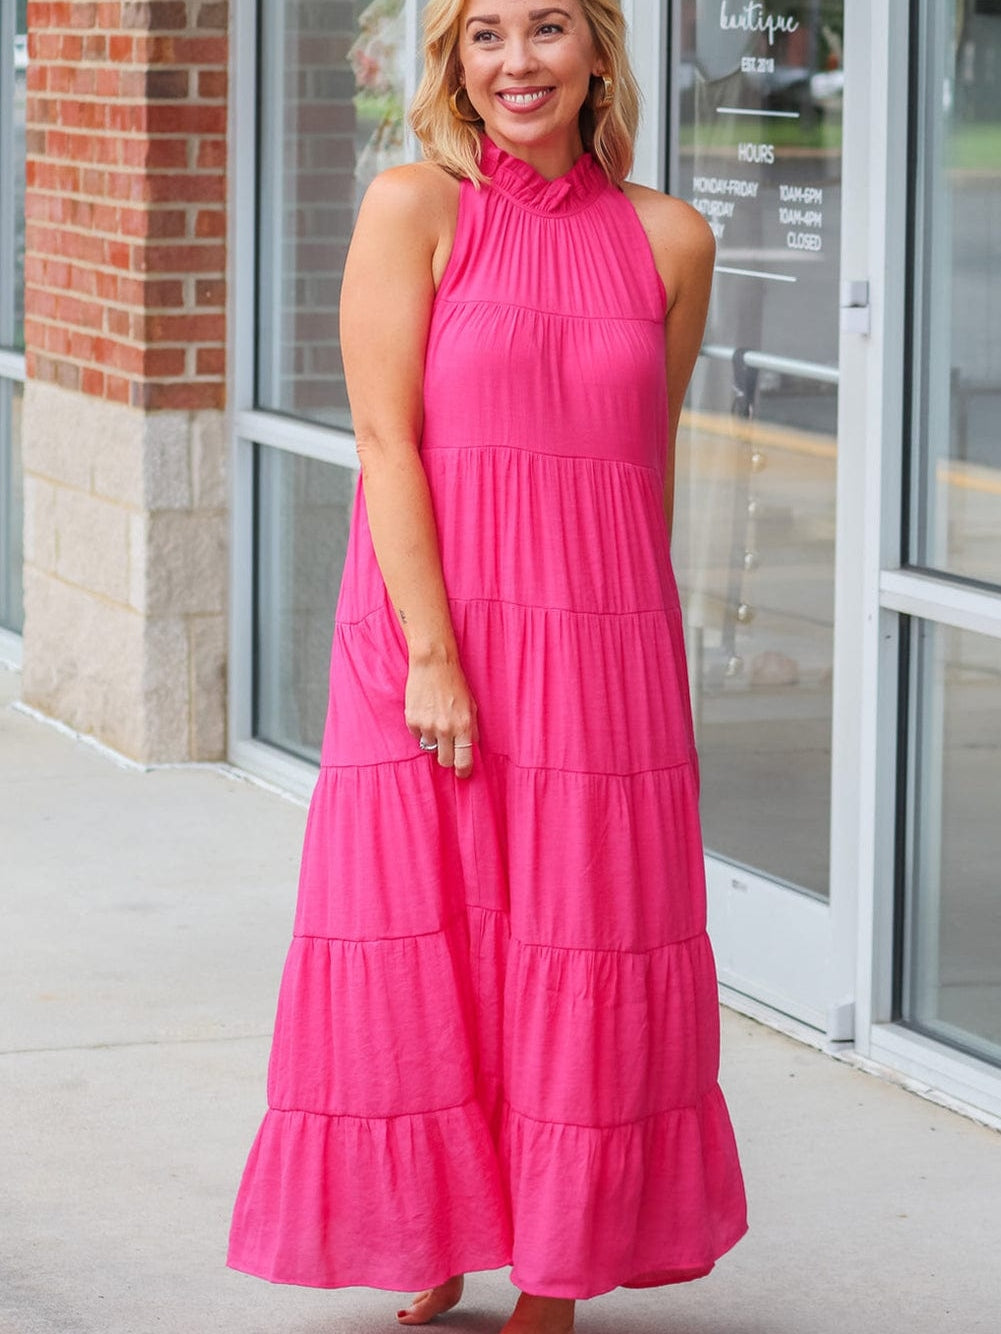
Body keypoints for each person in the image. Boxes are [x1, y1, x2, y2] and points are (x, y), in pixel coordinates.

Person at [227, 2, 747, 1330]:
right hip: (427, 635)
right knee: (427, 934)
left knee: (581, 937)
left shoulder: (673, 237)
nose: (517, 62)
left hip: (599, 647)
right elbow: (385, 442)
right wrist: (434, 656)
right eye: (486, 35)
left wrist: (645, 650)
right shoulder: (414, 208)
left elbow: (643, 460)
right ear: (455, 62)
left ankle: (557, 1267)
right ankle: (435, 1225)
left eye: (547, 29)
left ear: (596, 55)